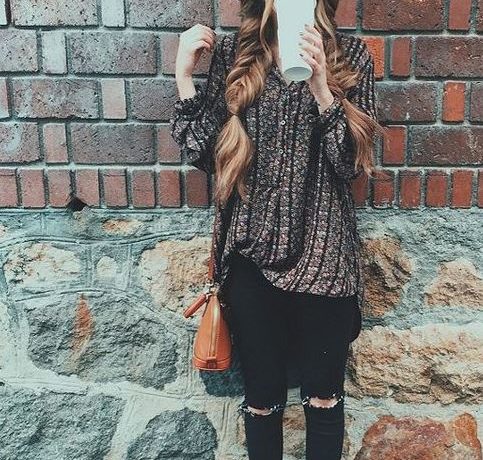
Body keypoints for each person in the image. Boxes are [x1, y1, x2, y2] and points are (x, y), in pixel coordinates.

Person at [170, 1, 385, 458]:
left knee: (323, 397)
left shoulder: (350, 56)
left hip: (325, 258)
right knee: (262, 401)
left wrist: (322, 88)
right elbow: (206, 154)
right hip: (251, 255)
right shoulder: (237, 54)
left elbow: (351, 165)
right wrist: (184, 78)